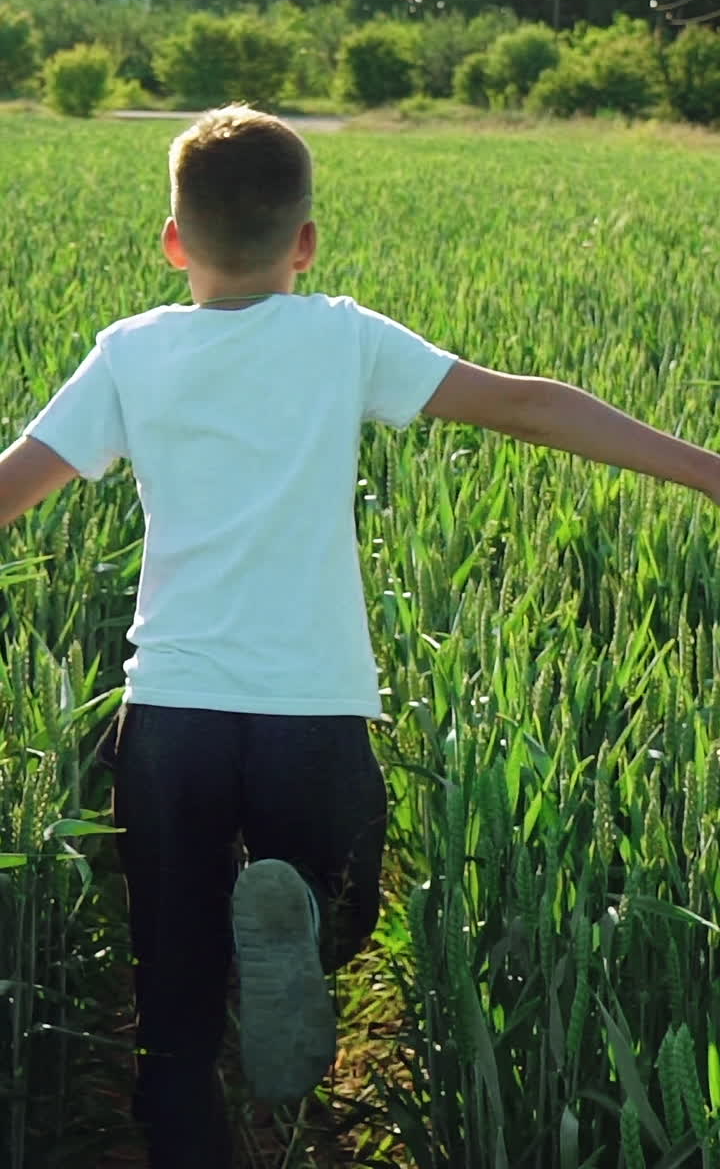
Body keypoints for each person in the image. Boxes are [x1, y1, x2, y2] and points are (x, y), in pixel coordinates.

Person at [1, 103, 719, 1169]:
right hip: (313, 710)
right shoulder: (342, 336)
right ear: (305, 243)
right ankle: (302, 945)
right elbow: (528, 405)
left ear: (173, 241)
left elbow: (11, 488)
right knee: (332, 899)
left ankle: (188, 1088)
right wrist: (707, 470)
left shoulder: (129, 353)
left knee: (172, 981)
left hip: (175, 715)